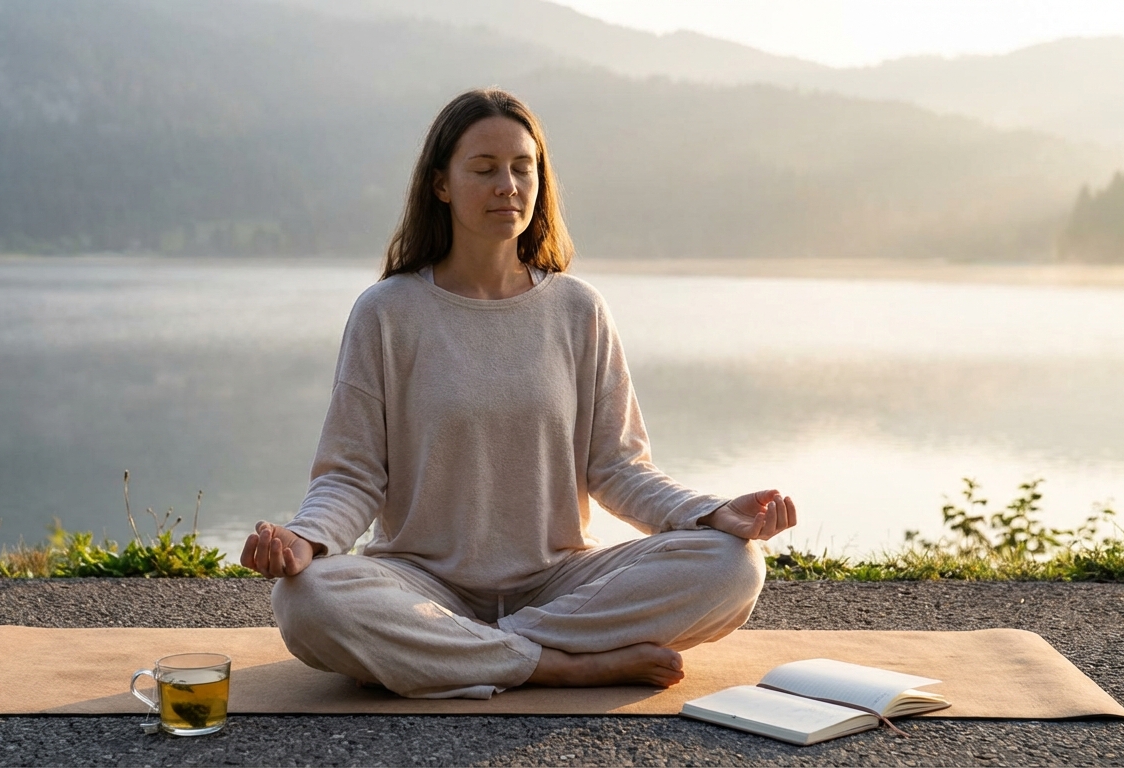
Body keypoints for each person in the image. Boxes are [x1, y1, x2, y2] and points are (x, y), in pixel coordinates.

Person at [240, 88, 797, 699]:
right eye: (484, 169)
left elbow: (619, 468)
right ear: (441, 184)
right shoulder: (387, 312)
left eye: (521, 168)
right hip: (420, 581)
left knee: (731, 565)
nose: (507, 186)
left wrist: (712, 514)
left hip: (559, 581)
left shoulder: (578, 309)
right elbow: (352, 475)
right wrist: (307, 537)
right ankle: (558, 664)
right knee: (306, 599)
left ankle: (461, 652)